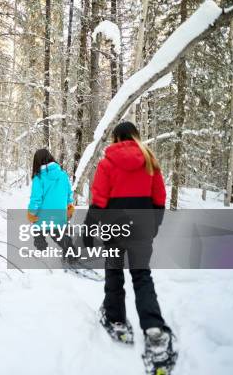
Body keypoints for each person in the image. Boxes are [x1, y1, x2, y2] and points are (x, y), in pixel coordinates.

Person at [84, 121, 174, 365]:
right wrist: (154, 225)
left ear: (115, 138)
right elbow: (159, 197)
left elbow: (99, 199)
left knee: (114, 273)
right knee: (142, 276)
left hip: (115, 228)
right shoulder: (149, 161)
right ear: (136, 136)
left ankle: (116, 319)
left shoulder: (107, 163)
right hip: (142, 228)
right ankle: (154, 330)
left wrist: (89, 229)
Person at [26, 149, 74, 252]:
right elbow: (69, 194)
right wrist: (70, 206)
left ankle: (41, 254)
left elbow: (36, 199)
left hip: (44, 217)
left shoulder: (38, 178)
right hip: (60, 215)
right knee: (59, 236)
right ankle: (72, 255)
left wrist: (31, 213)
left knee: (37, 230)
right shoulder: (63, 175)